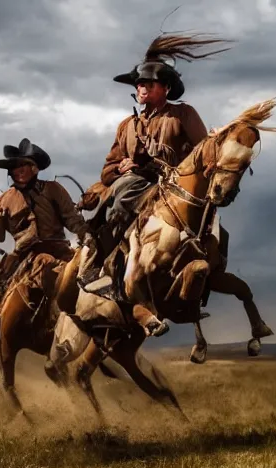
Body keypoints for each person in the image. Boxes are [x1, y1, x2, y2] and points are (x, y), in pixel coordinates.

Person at [80, 34, 230, 291]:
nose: (142, 88)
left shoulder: (183, 114)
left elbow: (204, 150)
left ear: (166, 88)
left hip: (177, 186)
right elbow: (107, 172)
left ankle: (210, 275)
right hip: (139, 186)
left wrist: (217, 141)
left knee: (218, 232)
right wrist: (120, 168)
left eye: (150, 83)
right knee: (122, 188)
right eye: (139, 84)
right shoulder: (127, 126)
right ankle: (100, 263)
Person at [0, 138, 92, 298]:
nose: (17, 171)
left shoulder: (53, 189)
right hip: (24, 258)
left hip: (60, 251)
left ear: (34, 168)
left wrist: (86, 236)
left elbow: (71, 218)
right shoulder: (6, 199)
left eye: (21, 166)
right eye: (13, 168)